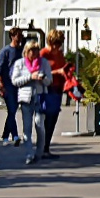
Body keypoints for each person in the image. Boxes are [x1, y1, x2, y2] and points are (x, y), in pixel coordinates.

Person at [10, 41, 49, 165]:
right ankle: (29, 154)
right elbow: (15, 81)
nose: (33, 53)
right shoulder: (20, 64)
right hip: (26, 99)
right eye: (31, 51)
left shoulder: (44, 63)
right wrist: (30, 77)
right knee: (27, 129)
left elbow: (49, 81)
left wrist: (43, 78)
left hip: (40, 98)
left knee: (39, 125)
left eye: (36, 50)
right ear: (26, 52)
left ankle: (39, 151)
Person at [38, 28, 68, 158]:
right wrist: (58, 72)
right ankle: (42, 147)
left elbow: (63, 68)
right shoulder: (44, 53)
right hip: (47, 88)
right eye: (55, 43)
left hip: (58, 88)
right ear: (50, 41)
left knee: (53, 118)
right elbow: (40, 72)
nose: (57, 46)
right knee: (46, 118)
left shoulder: (60, 54)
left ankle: (46, 147)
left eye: (60, 43)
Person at [0, 28, 22, 145]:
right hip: (8, 85)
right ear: (12, 36)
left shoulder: (21, 51)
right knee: (12, 110)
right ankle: (16, 136)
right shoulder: (5, 51)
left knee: (12, 111)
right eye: (18, 35)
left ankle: (5, 136)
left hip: (18, 85)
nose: (20, 37)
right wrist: (1, 86)